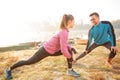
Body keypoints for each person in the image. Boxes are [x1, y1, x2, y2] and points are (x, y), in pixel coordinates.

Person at [5, 14, 80, 80]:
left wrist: (72, 49)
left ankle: (70, 70)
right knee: (29, 61)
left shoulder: (64, 30)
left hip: (52, 50)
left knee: (69, 50)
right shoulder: (64, 32)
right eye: (74, 21)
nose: (74, 23)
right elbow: (63, 50)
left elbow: (64, 44)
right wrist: (71, 59)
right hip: (45, 50)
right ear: (70, 21)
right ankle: (9, 69)